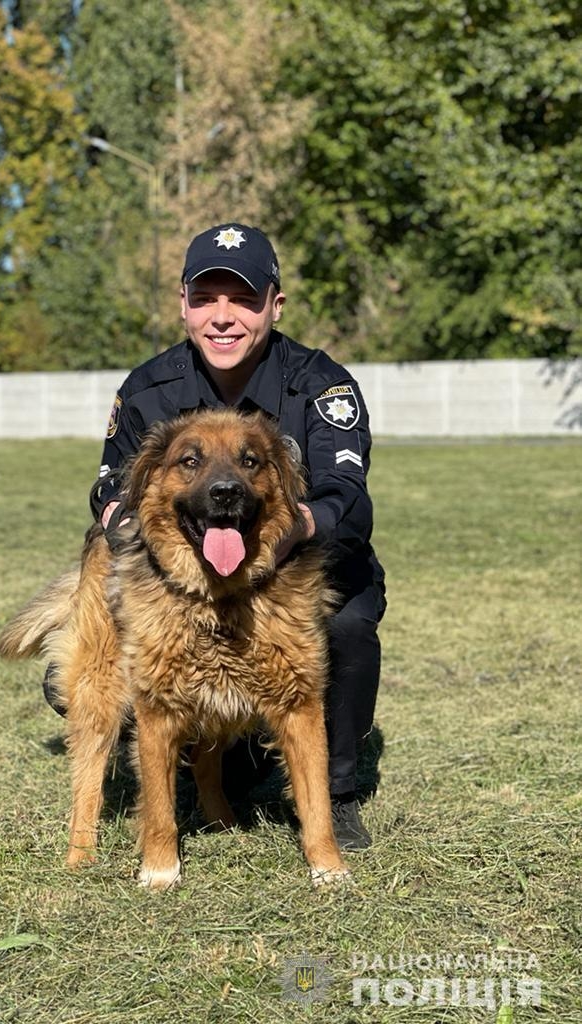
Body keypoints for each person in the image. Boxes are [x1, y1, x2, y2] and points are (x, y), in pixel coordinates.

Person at [46, 223, 386, 850]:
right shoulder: (148, 388)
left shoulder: (320, 384)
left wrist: (290, 534)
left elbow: (347, 495)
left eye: (243, 299)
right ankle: (222, 760)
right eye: (206, 299)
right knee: (125, 657)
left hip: (300, 561)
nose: (222, 317)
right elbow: (108, 491)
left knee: (345, 626)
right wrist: (154, 551)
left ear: (274, 306)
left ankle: (332, 797)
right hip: (175, 574)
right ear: (183, 305)